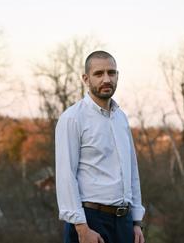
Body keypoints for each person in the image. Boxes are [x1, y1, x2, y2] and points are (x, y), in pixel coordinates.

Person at [55, 50, 146, 243]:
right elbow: (65, 175)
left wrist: (136, 222)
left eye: (111, 73)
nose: (106, 79)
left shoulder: (121, 118)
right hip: (90, 220)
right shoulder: (72, 118)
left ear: (117, 76)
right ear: (86, 79)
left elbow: (132, 171)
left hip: (124, 222)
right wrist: (81, 228)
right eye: (99, 74)